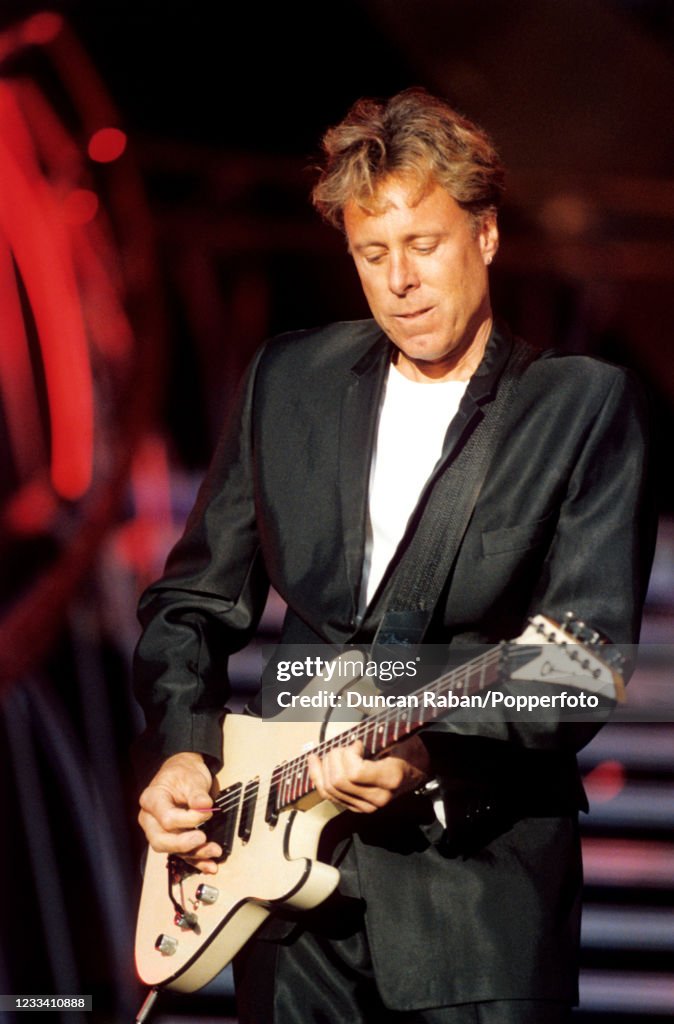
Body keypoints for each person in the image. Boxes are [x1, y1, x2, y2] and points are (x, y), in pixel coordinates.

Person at [134, 88, 654, 1023]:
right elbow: (190, 603)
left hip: (478, 900)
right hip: (283, 904)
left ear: (486, 237)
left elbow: (583, 664)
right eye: (373, 256)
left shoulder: (580, 406)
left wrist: (423, 741)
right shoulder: (286, 380)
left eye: (425, 246)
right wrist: (181, 751)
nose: (400, 281)